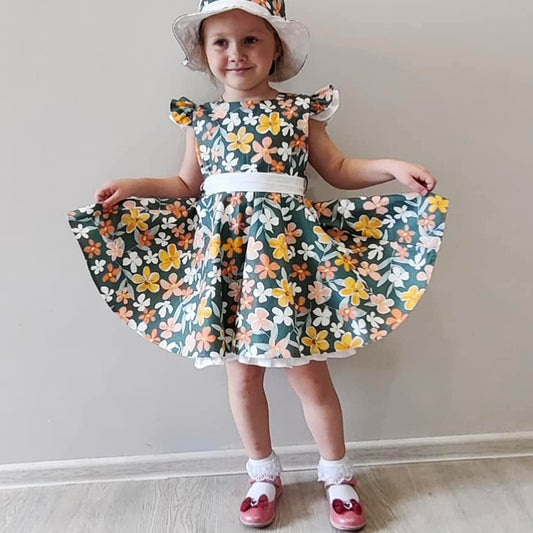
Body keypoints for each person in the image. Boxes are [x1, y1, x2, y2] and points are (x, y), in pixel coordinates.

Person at [67, 0, 449, 529]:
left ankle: (337, 475)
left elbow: (339, 169)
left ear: (276, 49)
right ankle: (262, 473)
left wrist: (390, 167)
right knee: (242, 378)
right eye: (221, 41)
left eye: (251, 39)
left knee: (309, 376)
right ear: (204, 52)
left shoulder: (298, 112)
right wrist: (133, 186)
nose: (236, 53)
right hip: (227, 267)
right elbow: (185, 185)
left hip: (288, 267)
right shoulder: (201, 119)